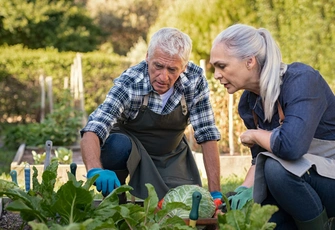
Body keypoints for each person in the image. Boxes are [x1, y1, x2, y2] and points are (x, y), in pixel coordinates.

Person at [210, 23, 335, 229]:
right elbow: (258, 161)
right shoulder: (248, 103)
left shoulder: (301, 81)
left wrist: (256, 135)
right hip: (298, 185)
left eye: (221, 66)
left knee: (276, 169)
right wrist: (241, 192)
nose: (216, 75)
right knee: (261, 222)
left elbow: (291, 146)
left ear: (249, 61)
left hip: (328, 180)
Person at [80, 27, 222, 206]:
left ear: (184, 67)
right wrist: (95, 169)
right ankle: (115, 199)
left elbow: (207, 132)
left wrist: (216, 192)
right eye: (158, 66)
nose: (163, 76)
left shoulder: (194, 79)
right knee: (117, 145)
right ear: (148, 56)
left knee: (180, 208)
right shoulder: (131, 82)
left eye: (172, 69)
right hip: (131, 150)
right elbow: (94, 126)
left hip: (171, 153)